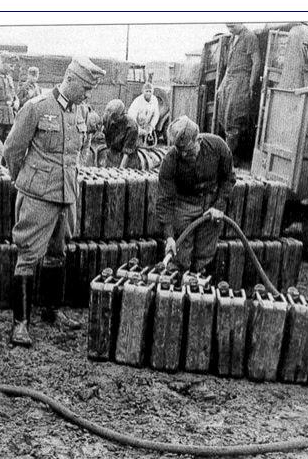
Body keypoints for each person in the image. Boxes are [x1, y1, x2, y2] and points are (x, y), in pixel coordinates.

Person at [3, 57, 105, 347]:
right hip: (37, 195)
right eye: (85, 88)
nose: (87, 94)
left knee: (57, 253)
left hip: (66, 194)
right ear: (70, 79)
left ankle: (51, 310)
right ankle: (20, 324)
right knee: (28, 255)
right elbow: (12, 149)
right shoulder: (36, 107)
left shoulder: (81, 111)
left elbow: (81, 150)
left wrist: (70, 175)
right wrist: (24, 180)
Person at [157, 116, 235, 274]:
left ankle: (198, 282)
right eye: (180, 151)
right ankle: (176, 287)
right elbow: (165, 200)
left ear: (198, 139)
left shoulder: (217, 146)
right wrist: (170, 237)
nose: (184, 155)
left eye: (188, 150)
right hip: (184, 205)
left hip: (211, 205)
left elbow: (228, 178)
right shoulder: (170, 160)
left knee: (204, 256)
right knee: (180, 257)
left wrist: (219, 207)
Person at [216, 22, 260, 165]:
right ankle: (227, 156)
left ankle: (230, 160)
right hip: (229, 80)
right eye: (228, 27)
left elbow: (256, 62)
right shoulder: (232, 38)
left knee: (235, 118)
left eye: (233, 26)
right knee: (224, 117)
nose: (230, 29)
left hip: (241, 80)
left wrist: (250, 85)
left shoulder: (250, 37)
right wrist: (222, 85)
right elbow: (229, 66)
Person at [102, 99, 140, 169]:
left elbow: (127, 152)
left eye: (115, 117)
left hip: (128, 158)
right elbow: (107, 139)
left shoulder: (131, 126)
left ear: (122, 114)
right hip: (113, 153)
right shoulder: (109, 119)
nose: (113, 120)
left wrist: (120, 169)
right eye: (112, 118)